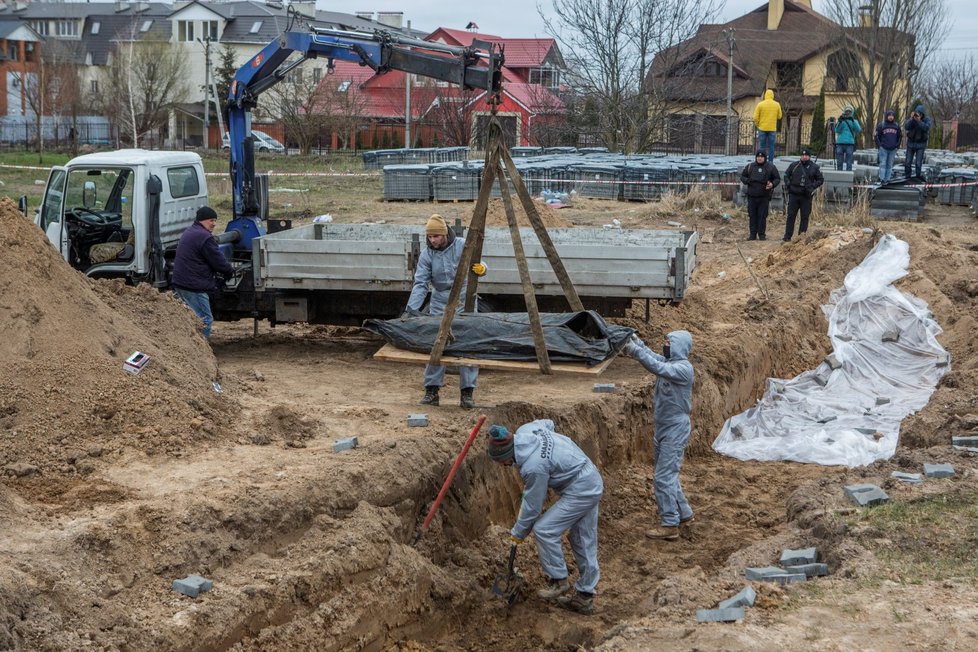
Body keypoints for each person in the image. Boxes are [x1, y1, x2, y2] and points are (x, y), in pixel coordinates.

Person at [487, 419, 604, 615]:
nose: (503, 466)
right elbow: (548, 423)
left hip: (581, 488)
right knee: (581, 538)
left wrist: (518, 533)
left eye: (501, 462)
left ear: (507, 455)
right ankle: (584, 598)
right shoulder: (528, 430)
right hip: (589, 475)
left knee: (544, 529)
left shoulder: (533, 467)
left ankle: (558, 580)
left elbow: (533, 506)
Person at [621, 332, 695, 541]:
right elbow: (654, 358)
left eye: (669, 343)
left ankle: (670, 523)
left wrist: (634, 351)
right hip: (664, 427)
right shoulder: (671, 362)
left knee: (663, 476)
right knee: (667, 474)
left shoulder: (683, 369)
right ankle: (684, 513)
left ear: (679, 346)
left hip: (675, 428)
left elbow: (657, 367)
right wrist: (637, 342)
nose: (665, 345)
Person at [406, 214, 480, 408]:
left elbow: (479, 262)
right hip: (440, 302)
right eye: (429, 237)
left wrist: (483, 268)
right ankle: (431, 391)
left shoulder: (463, 245)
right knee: (436, 345)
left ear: (445, 233)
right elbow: (421, 283)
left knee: (467, 345)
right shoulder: (427, 254)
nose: (432, 241)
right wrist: (411, 310)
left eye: (436, 237)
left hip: (465, 300)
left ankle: (467, 393)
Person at [171, 206, 234, 339]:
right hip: (193, 286)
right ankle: (199, 354)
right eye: (211, 220)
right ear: (202, 220)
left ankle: (187, 346)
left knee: (190, 320)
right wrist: (229, 270)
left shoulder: (191, 232)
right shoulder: (204, 237)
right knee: (204, 320)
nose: (214, 224)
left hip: (181, 283)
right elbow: (218, 261)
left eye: (215, 220)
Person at [782, 148, 824, 242]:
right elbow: (786, 175)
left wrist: (812, 187)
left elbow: (820, 180)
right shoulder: (794, 165)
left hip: (806, 196)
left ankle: (801, 237)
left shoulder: (814, 167)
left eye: (806, 155)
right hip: (794, 194)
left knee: (804, 217)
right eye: (803, 155)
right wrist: (788, 184)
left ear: (809, 156)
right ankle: (787, 236)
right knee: (791, 216)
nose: (804, 157)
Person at [740, 150, 781, 241]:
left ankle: (761, 234)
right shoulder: (750, 166)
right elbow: (742, 176)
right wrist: (747, 181)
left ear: (765, 158)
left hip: (764, 196)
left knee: (762, 216)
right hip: (752, 196)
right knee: (752, 215)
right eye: (758, 156)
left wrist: (772, 184)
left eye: (761, 157)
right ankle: (752, 234)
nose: (759, 158)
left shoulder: (770, 167)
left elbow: (777, 178)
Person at [753, 89, 783, 161]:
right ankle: (770, 162)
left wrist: (758, 124)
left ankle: (761, 160)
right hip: (772, 128)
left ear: (765, 95)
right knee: (771, 146)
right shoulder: (777, 104)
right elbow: (780, 116)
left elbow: (755, 117)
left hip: (762, 128)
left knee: (762, 146)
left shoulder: (760, 104)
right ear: (772, 96)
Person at [874, 109, 902, 184]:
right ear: (886, 116)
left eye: (892, 115)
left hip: (893, 149)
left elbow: (900, 136)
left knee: (890, 165)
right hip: (883, 148)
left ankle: (888, 179)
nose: (891, 117)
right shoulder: (881, 125)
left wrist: (897, 146)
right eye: (889, 115)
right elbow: (876, 136)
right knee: (883, 164)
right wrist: (879, 146)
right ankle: (882, 179)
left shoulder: (896, 125)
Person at [904, 104, 931, 180]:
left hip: (921, 145)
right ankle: (907, 177)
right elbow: (906, 127)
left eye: (919, 113)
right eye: (916, 113)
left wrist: (919, 121)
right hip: (911, 143)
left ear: (922, 114)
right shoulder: (912, 119)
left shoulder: (926, 120)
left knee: (918, 164)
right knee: (907, 162)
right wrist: (911, 119)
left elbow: (926, 128)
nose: (917, 115)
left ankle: (917, 178)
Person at [833, 105, 861, 171]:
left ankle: (848, 175)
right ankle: (839, 174)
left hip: (849, 143)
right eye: (847, 111)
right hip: (840, 142)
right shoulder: (841, 121)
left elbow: (858, 130)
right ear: (844, 112)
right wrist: (839, 122)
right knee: (839, 161)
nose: (848, 113)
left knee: (849, 161)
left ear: (852, 112)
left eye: (849, 111)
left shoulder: (854, 121)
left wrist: (853, 121)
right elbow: (836, 130)